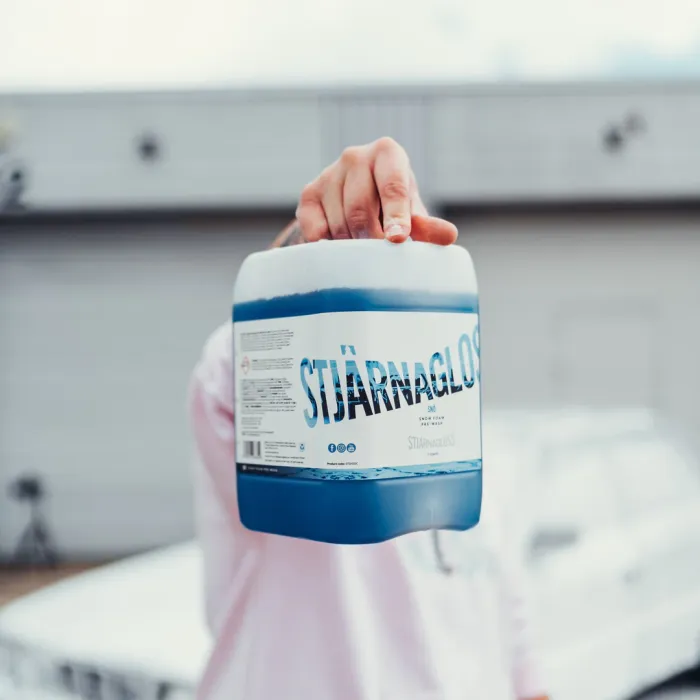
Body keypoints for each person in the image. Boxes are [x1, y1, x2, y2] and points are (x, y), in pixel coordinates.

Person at [189, 137, 550, 700]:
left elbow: (513, 637)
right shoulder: (300, 422)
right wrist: (321, 253)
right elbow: (242, 368)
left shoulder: (474, 457)